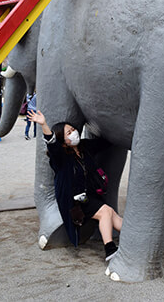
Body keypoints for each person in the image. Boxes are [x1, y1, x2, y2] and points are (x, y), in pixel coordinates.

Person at [27, 109, 122, 261]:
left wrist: (118, 128)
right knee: (105, 212)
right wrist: (44, 124)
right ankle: (109, 249)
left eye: (72, 129)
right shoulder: (60, 158)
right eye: (68, 133)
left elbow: (103, 144)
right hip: (75, 202)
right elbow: (52, 145)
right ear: (63, 140)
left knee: (110, 212)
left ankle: (133, 238)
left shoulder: (84, 148)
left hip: (90, 195)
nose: (73, 133)